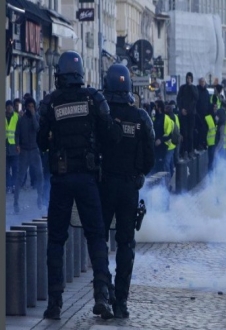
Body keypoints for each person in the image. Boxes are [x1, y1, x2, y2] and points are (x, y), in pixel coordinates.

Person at [37, 50, 122, 320]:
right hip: (87, 179)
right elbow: (111, 134)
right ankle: (102, 298)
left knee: (56, 241)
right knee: (96, 237)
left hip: (61, 180)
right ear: (81, 73)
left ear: (59, 74)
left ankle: (54, 304)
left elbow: (40, 142)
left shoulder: (50, 103)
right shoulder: (93, 98)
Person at [100, 64, 155, 318]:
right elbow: (150, 158)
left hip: (104, 186)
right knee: (125, 245)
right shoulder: (141, 117)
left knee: (99, 241)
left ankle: (104, 291)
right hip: (129, 187)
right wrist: (137, 174)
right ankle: (121, 301)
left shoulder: (103, 114)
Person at [14, 97, 44, 213]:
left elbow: (37, 129)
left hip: (34, 150)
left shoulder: (36, 117)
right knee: (20, 177)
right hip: (24, 151)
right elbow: (17, 133)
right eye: (29, 107)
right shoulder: (21, 120)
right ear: (26, 107)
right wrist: (17, 145)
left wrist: (33, 116)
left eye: (32, 106)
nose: (31, 108)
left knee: (40, 175)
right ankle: (16, 202)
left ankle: (40, 198)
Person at [177, 72, 198, 159]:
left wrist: (191, 86)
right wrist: (181, 109)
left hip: (191, 113)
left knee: (190, 133)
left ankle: (190, 150)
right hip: (184, 113)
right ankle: (185, 151)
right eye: (187, 78)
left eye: (190, 78)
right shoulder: (182, 88)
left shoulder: (194, 88)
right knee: (184, 133)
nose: (188, 79)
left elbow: (196, 98)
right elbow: (178, 99)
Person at [5, 100, 19, 194]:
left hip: (14, 146)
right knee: (5, 169)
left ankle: (14, 185)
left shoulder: (17, 116)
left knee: (15, 168)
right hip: (5, 147)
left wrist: (19, 144)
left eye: (10, 106)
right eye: (8, 106)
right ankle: (8, 185)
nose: (9, 107)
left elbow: (20, 131)